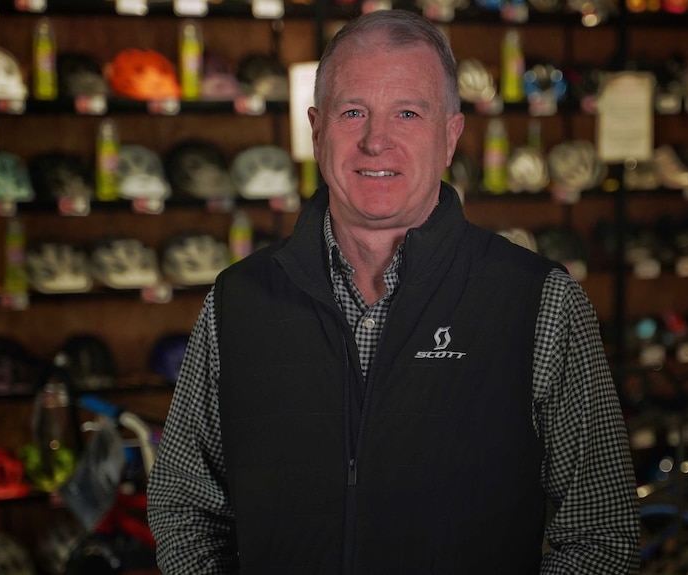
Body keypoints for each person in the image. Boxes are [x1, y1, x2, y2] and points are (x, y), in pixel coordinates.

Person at [147, 8, 639, 574]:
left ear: (450, 136)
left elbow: (602, 537)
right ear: (316, 129)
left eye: (408, 112)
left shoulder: (540, 303)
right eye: (353, 111)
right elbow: (183, 507)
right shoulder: (237, 302)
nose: (376, 141)